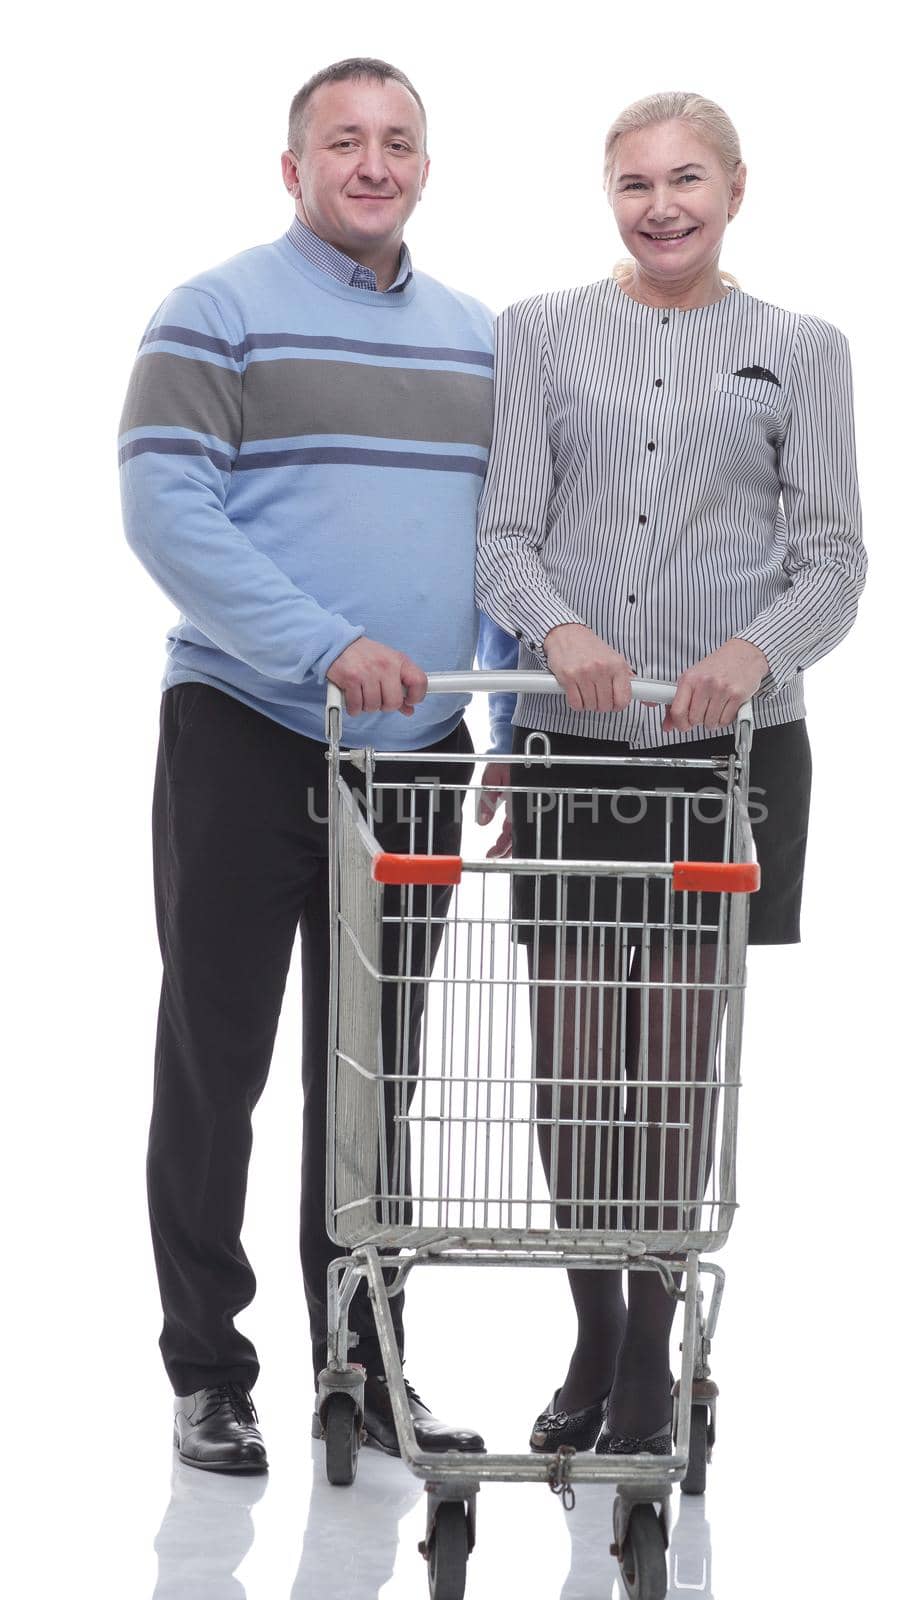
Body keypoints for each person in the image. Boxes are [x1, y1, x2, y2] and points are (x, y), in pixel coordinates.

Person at [120, 56, 516, 1474]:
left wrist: (509, 737)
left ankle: (366, 1365)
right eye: (342, 141)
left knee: (384, 1081)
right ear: (292, 169)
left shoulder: (480, 340)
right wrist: (323, 643)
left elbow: (507, 552)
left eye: (398, 140)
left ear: (424, 165)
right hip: (244, 727)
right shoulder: (214, 311)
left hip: (417, 753)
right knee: (217, 1062)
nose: (372, 161)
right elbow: (165, 508)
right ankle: (210, 1374)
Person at [475, 91, 866, 1454]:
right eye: (633, 183)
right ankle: (598, 1332)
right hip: (576, 753)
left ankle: (652, 1353)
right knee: (576, 1070)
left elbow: (835, 559)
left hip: (726, 760)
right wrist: (563, 632)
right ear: (608, 196)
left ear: (737, 189)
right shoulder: (539, 335)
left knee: (677, 1067)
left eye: (686, 179)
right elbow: (505, 539)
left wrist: (752, 652)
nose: (661, 206)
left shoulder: (802, 352)